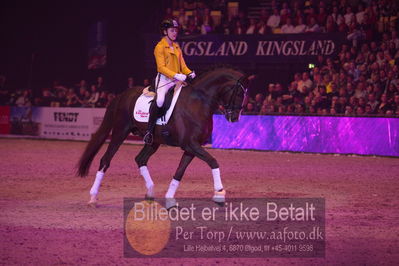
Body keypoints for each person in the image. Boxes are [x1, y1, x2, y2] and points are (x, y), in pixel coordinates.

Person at [143, 19, 195, 145]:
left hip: (177, 80)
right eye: (172, 30)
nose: (174, 33)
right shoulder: (159, 47)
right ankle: (149, 131)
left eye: (176, 30)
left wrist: (189, 73)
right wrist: (176, 75)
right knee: (160, 101)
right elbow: (161, 67)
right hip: (164, 80)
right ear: (165, 31)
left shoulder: (177, 47)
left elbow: (183, 66)